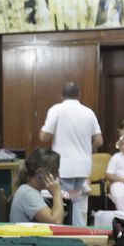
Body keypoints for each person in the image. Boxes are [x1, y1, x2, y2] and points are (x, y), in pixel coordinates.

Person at [40, 81, 103, 226]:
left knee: (59, 203)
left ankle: (60, 236)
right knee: (80, 207)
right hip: (83, 168)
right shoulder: (89, 112)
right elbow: (99, 141)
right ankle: (80, 237)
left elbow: (44, 136)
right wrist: (88, 150)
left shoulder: (56, 110)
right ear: (79, 94)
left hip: (63, 168)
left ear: (61, 96)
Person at [9, 147, 66, 223]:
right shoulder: (28, 193)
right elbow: (56, 222)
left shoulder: (29, 189)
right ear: (40, 173)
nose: (58, 176)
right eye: (55, 172)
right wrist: (56, 194)